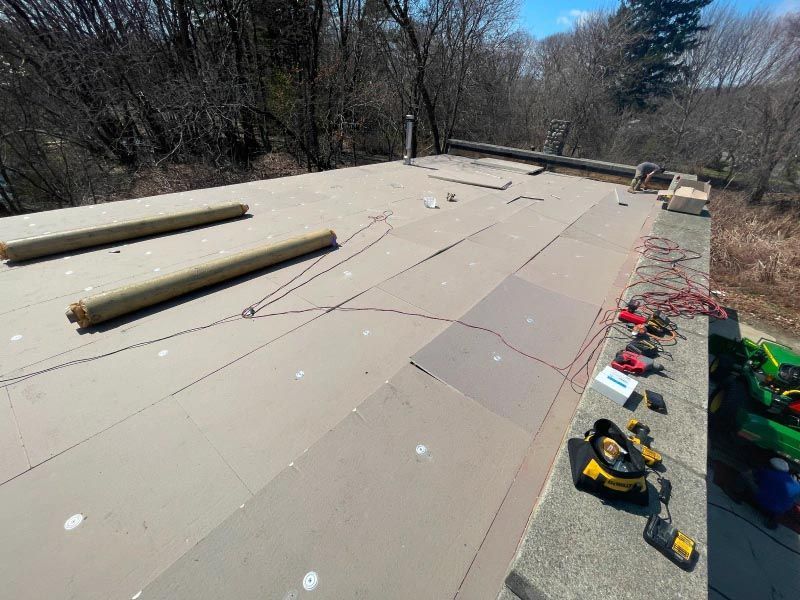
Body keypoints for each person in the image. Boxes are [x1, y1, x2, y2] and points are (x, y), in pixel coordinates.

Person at [737, 457, 800, 529]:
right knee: (786, 500)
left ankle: (736, 494)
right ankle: (774, 519)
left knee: (745, 476)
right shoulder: (795, 484)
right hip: (781, 509)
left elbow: (754, 476)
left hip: (764, 501)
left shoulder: (767, 472)